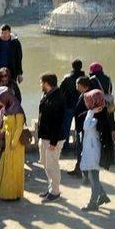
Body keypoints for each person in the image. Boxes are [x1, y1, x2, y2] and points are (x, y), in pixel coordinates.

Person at [80, 90, 114, 211]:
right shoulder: (100, 113)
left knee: (93, 178)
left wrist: (90, 112)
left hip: (94, 152)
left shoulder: (96, 116)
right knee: (93, 177)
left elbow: (86, 126)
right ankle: (103, 196)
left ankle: (93, 203)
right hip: (92, 150)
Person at [38, 73, 66, 202]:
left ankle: (55, 191)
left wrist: (53, 142)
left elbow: (58, 123)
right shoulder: (47, 95)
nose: (40, 85)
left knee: (52, 165)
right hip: (45, 137)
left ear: (46, 83)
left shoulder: (57, 98)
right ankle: (51, 188)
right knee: (46, 164)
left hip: (53, 139)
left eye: (41, 82)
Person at [0, 87, 26, 201]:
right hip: (7, 141)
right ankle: (4, 192)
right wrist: (1, 134)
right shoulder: (7, 108)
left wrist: (14, 142)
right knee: (6, 165)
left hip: (14, 144)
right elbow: (5, 125)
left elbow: (19, 127)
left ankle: (12, 193)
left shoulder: (18, 109)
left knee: (13, 166)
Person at [68, 76, 94, 179]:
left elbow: (90, 112)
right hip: (80, 127)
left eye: (77, 84)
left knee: (83, 151)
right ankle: (78, 170)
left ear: (83, 85)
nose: (76, 86)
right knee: (79, 150)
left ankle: (85, 174)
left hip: (84, 128)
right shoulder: (83, 94)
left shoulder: (88, 96)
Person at [60, 59, 85, 150]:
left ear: (72, 66)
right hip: (82, 106)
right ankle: (79, 148)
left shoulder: (67, 78)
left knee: (66, 127)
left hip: (68, 105)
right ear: (81, 66)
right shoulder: (85, 78)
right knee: (80, 128)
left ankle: (65, 148)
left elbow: (61, 91)